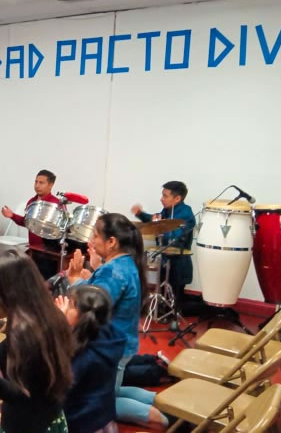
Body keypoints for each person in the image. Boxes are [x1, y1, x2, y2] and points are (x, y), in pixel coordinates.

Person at [66, 214, 167, 429]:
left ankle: (163, 418)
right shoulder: (124, 263)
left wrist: (74, 280)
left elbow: (92, 306)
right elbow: (102, 293)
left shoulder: (112, 271)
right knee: (113, 389)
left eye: (95, 236)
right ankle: (160, 401)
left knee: (99, 400)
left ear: (112, 242)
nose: (91, 240)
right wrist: (93, 273)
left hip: (111, 346)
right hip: (121, 343)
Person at [0, 250, 73, 433]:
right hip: (50, 416)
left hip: (26, 425)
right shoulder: (52, 315)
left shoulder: (24, 335)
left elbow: (22, 398)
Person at [55, 286, 125, 433]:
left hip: (80, 422)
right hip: (103, 416)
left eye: (70, 304)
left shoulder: (84, 354)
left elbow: (57, 386)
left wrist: (59, 326)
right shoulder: (108, 335)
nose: (65, 306)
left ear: (82, 317)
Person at [132, 181, 195, 312]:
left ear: (177, 198)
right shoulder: (167, 210)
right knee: (164, 298)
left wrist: (159, 229)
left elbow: (174, 236)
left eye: (165, 196)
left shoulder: (186, 213)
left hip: (178, 263)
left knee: (175, 304)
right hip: (166, 260)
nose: (161, 199)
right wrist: (140, 214)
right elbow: (156, 220)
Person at [1, 169, 61, 278]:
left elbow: (59, 229)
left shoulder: (56, 204)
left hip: (48, 252)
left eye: (41, 183)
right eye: (36, 182)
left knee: (42, 278)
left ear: (51, 185)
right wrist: (12, 215)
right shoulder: (31, 202)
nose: (37, 185)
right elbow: (27, 223)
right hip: (34, 248)